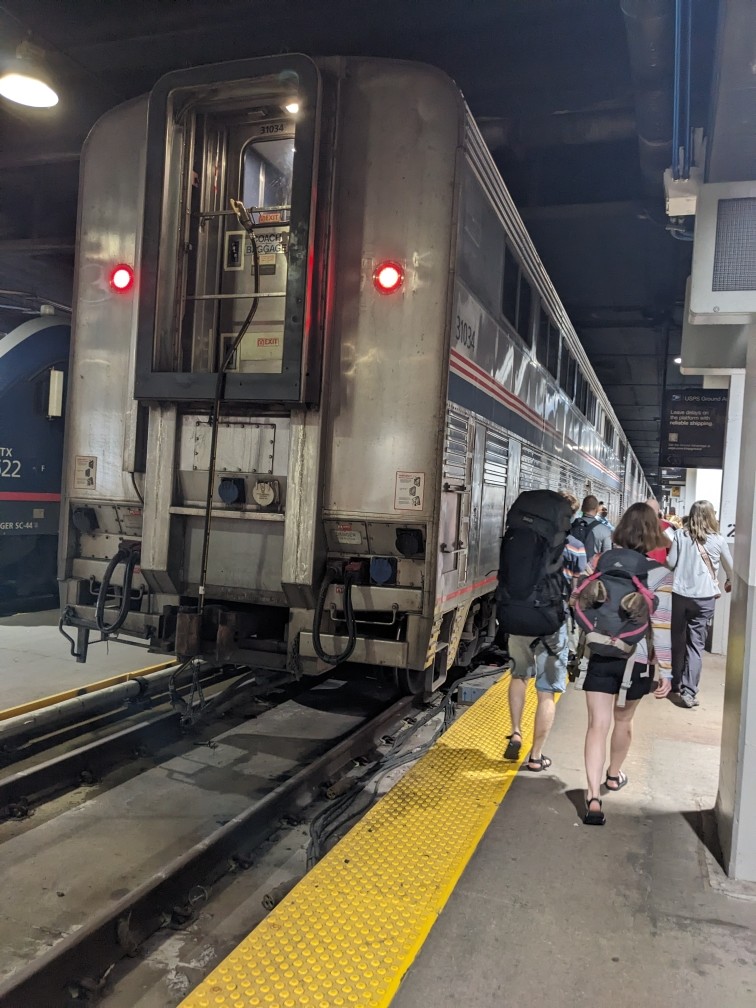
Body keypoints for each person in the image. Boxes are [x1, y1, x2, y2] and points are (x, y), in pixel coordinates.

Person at [576, 503, 673, 825]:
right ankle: (613, 776)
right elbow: (661, 627)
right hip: (637, 659)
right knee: (624, 721)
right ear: (653, 534)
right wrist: (668, 672)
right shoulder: (660, 574)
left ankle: (592, 798)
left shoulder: (599, 563)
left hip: (601, 651)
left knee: (596, 725)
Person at [505, 491, 585, 771]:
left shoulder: (523, 537)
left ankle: (515, 731)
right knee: (547, 691)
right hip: (553, 624)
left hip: (520, 616)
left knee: (518, 675)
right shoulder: (574, 546)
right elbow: (577, 591)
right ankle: (536, 756)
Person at [667, 499, 734, 708]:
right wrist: (729, 580)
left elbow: (670, 563)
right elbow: (730, 567)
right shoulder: (719, 540)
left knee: (677, 640)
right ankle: (689, 692)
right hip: (705, 598)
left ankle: (675, 682)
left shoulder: (680, 535)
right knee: (696, 645)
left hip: (680, 595)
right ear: (711, 516)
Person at [571, 495, 612, 559]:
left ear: (581, 508)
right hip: (592, 567)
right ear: (596, 509)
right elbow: (607, 556)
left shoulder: (571, 525)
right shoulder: (605, 530)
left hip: (570, 566)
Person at [645, 496, 674, 565]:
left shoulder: (635, 524)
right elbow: (674, 546)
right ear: (658, 511)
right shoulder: (666, 526)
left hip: (638, 565)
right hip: (659, 567)